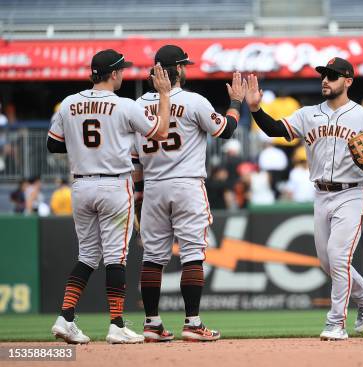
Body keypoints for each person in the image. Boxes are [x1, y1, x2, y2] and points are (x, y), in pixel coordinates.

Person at [246, 57, 363, 341]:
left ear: (348, 81)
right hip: (321, 194)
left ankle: (335, 323)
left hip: (354, 193)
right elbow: (275, 130)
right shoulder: (307, 114)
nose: (325, 80)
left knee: (339, 258)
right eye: (323, 75)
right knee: (327, 262)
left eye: (332, 75)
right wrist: (256, 108)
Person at [47, 49, 172, 344]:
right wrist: (164, 95)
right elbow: (162, 131)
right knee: (116, 257)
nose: (124, 74)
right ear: (114, 74)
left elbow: (54, 145)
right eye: (122, 70)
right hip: (114, 185)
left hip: (80, 185)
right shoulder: (124, 106)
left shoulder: (68, 103)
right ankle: (116, 324)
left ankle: (65, 318)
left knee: (87, 256)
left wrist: (85, 150)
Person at [131, 45, 245, 343]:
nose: (186, 69)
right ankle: (192, 323)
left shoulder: (136, 105)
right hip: (186, 183)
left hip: (153, 185)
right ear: (178, 69)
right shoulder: (193, 101)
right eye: (184, 65)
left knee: (153, 258)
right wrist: (235, 102)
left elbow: (134, 161)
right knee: (193, 254)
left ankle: (152, 324)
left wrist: (140, 197)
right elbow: (227, 130)